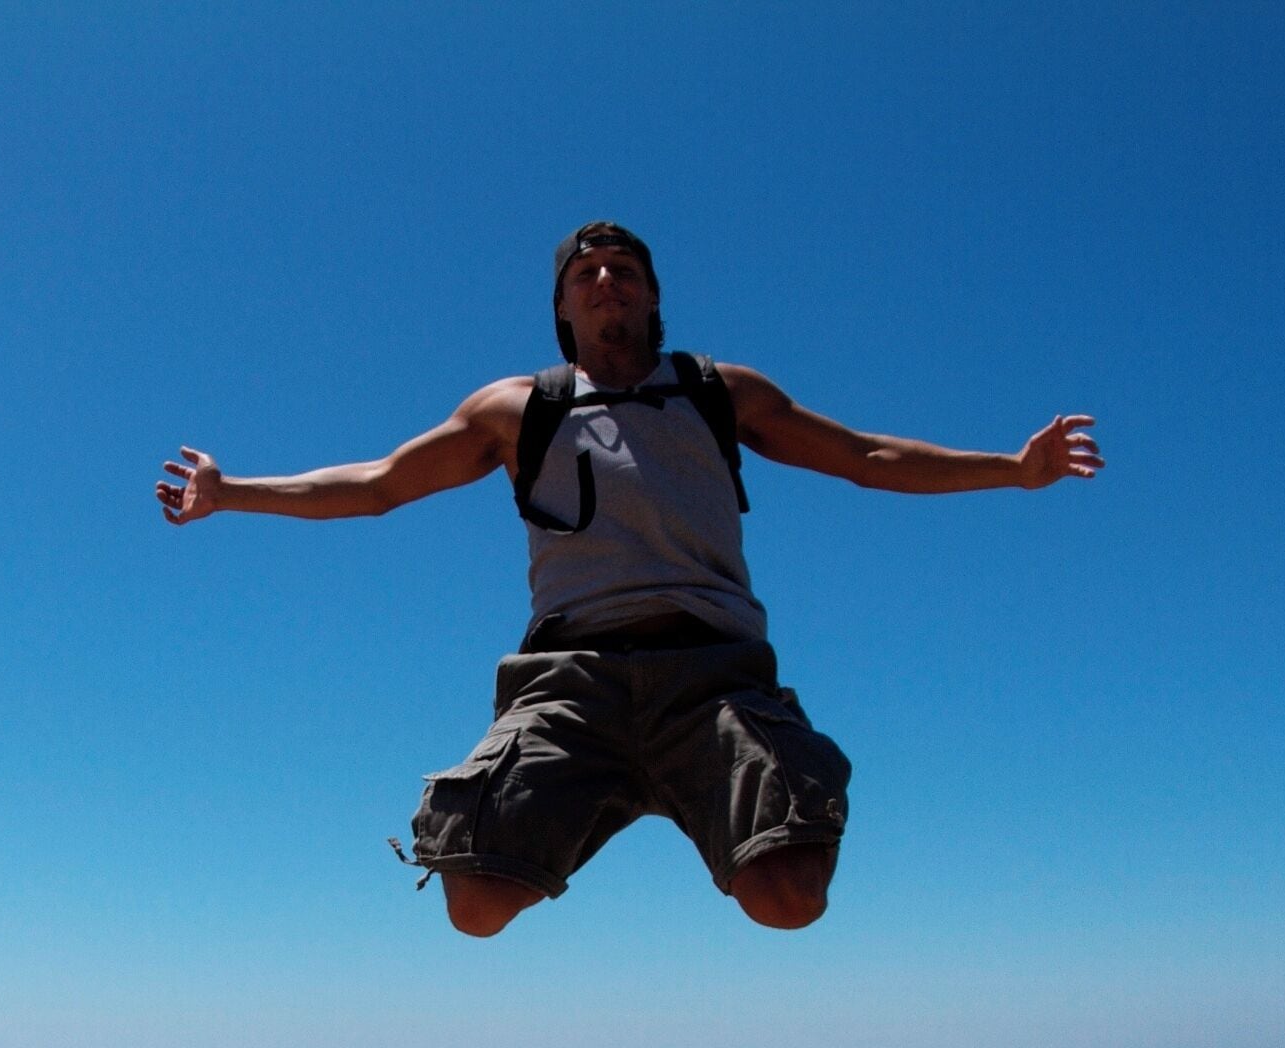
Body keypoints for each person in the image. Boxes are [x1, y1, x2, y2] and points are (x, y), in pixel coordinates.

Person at [155, 221, 1101, 936]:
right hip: (572, 682)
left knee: (789, 901)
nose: (606, 280)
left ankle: (706, 788)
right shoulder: (516, 408)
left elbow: (866, 455)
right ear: (563, 310)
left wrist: (1012, 470)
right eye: (585, 274)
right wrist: (232, 492)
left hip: (714, 677)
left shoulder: (718, 393)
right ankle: (618, 787)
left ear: (652, 299)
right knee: (474, 904)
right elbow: (376, 486)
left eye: (626, 271)